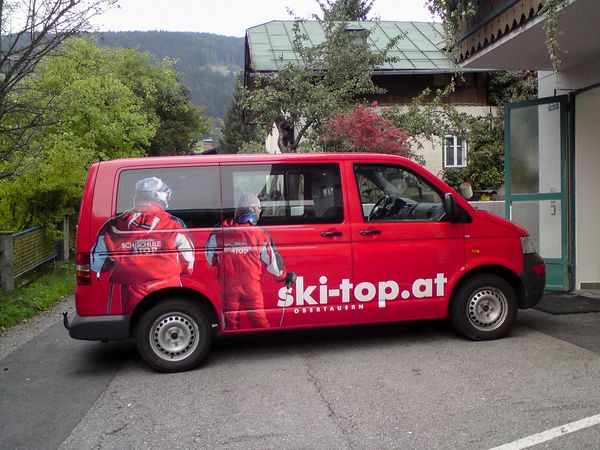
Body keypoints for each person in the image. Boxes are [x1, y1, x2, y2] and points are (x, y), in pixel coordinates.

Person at [90, 177, 195, 315]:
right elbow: (188, 260)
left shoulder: (114, 225)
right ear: (161, 196)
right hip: (168, 287)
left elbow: (96, 263)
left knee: (136, 325)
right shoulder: (173, 223)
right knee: (167, 320)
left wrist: (117, 261)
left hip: (132, 291)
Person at [205, 192, 295, 330]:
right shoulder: (260, 234)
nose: (260, 211)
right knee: (259, 322)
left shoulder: (219, 231)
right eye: (259, 208)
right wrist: (284, 277)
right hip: (251, 287)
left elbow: (210, 258)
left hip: (227, 287)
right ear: (252, 209)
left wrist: (225, 260)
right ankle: (263, 348)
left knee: (230, 323)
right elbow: (275, 266)